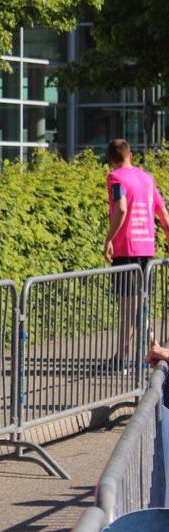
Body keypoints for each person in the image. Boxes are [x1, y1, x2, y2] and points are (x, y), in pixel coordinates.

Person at [103, 138, 169, 370]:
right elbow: (164, 216)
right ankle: (154, 349)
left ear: (111, 160)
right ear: (130, 155)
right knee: (141, 304)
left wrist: (109, 239)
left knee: (129, 307)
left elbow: (121, 208)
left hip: (126, 249)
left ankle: (121, 359)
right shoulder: (147, 179)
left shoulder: (115, 178)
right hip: (147, 249)